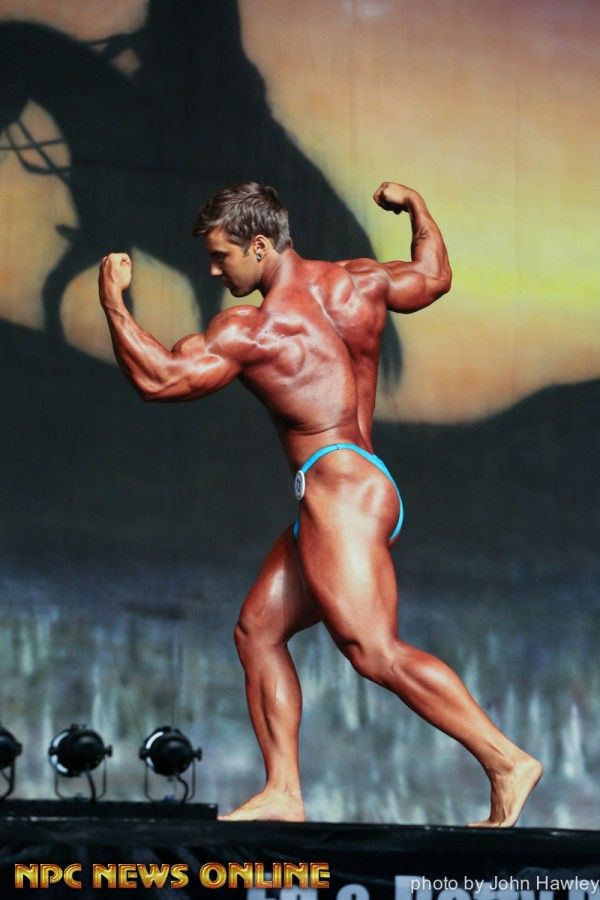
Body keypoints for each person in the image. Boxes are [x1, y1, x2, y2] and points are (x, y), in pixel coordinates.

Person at [98, 180, 542, 826]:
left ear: (259, 246)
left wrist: (113, 302)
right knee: (258, 630)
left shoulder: (254, 330)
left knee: (374, 651)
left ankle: (506, 761)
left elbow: (161, 379)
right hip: (355, 482)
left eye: (221, 257)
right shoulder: (357, 282)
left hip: (339, 492)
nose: (214, 271)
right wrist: (417, 209)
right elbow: (432, 276)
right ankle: (284, 790)